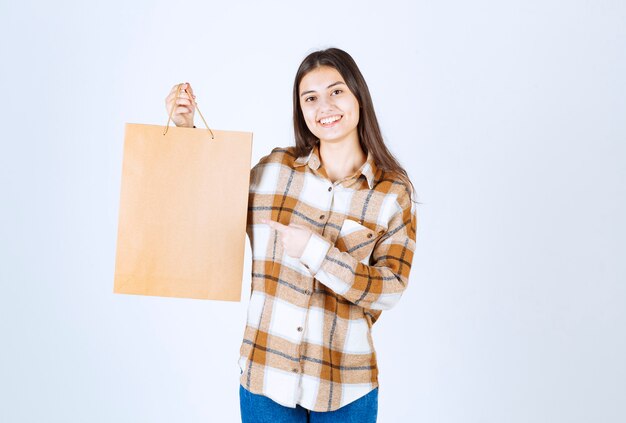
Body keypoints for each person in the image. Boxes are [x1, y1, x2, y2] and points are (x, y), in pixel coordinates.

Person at [165, 48, 418, 423]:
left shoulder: (390, 192)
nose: (324, 107)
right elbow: (209, 202)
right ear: (301, 110)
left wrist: (316, 252)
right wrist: (185, 130)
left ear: (357, 96)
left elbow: (391, 288)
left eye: (336, 92)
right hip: (266, 378)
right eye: (310, 98)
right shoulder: (274, 171)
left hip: (346, 387)